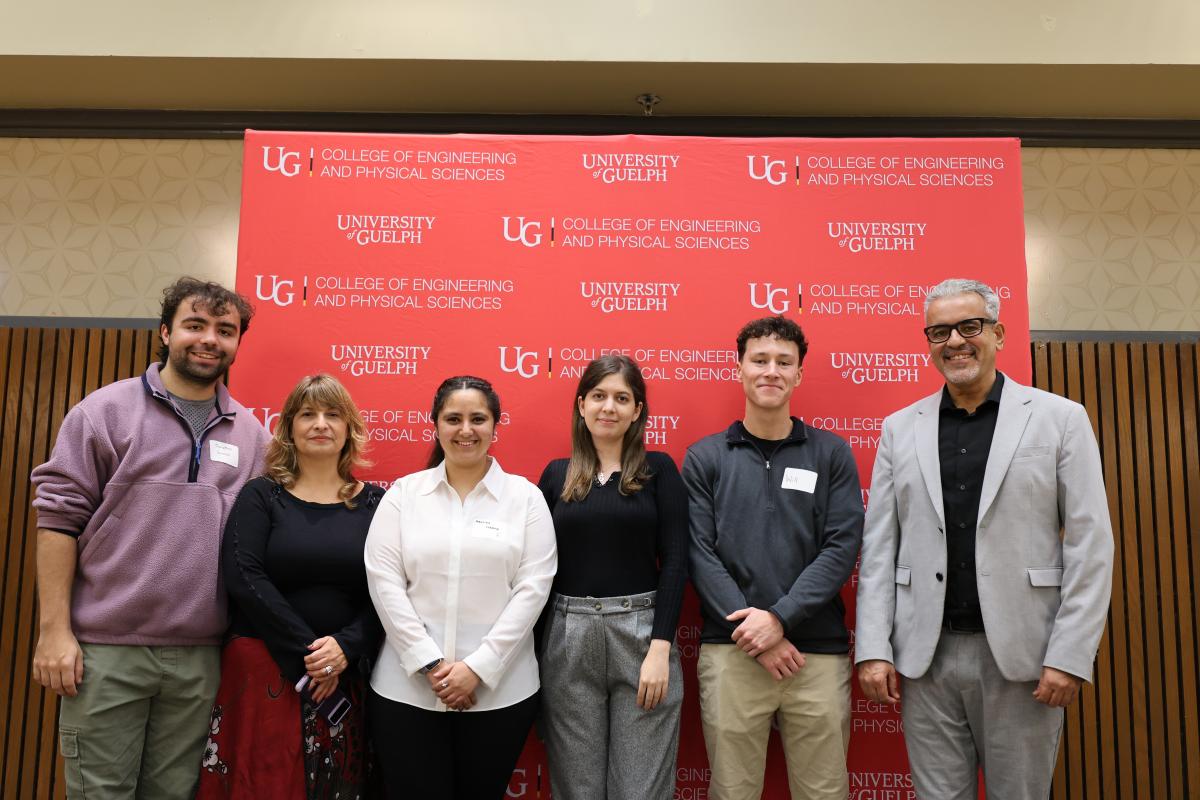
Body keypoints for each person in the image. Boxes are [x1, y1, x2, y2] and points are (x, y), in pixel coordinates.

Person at [854, 278, 1114, 800]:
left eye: (969, 327)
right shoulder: (900, 429)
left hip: (1024, 658)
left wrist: (1069, 655)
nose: (954, 341)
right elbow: (880, 549)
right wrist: (873, 648)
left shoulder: (1060, 419)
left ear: (998, 333)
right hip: (925, 659)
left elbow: (1090, 546)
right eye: (939, 331)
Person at [29, 277, 270, 799]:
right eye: (195, 325)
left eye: (224, 330)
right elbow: (56, 521)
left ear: (236, 343)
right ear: (165, 332)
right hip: (106, 654)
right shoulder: (104, 412)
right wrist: (54, 632)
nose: (209, 339)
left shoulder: (252, 436)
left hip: (200, 659)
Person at [683, 315, 863, 800]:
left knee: (824, 792)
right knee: (733, 792)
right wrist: (758, 637)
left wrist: (780, 619)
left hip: (815, 656)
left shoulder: (831, 454)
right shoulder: (704, 458)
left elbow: (841, 547)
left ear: (799, 374)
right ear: (738, 368)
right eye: (759, 360)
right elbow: (700, 555)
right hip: (732, 652)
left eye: (784, 362)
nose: (771, 371)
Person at [364, 376, 557, 799]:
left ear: (495, 425)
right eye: (453, 418)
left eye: (477, 419)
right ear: (435, 424)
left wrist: (478, 669)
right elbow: (384, 582)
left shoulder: (525, 499)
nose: (465, 430)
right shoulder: (403, 496)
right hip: (406, 692)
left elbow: (533, 590)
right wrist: (430, 664)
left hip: (500, 693)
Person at [197, 374, 383, 799]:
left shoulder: (376, 503)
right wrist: (313, 655)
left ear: (349, 427)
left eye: (332, 414)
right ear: (289, 428)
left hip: (343, 677)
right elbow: (244, 576)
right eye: (308, 414)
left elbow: (390, 589)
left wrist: (346, 647)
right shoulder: (262, 495)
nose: (320, 424)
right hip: (264, 669)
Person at [536, 355, 688, 800]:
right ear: (581, 405)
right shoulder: (556, 476)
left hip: (641, 636)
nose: (609, 407)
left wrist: (660, 647)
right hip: (568, 637)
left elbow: (677, 561)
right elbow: (537, 573)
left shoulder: (660, 471)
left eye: (622, 398)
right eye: (599, 396)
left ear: (637, 410)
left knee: (640, 791)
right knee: (577, 790)